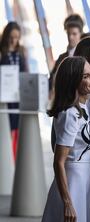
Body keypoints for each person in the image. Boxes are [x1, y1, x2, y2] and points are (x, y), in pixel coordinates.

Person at [33, 56, 90, 222]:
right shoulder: (70, 114)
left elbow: (83, 150)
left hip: (83, 185)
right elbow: (59, 161)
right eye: (86, 75)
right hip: (72, 187)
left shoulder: (83, 108)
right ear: (73, 81)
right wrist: (68, 202)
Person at [0, 21, 28, 159]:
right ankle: (8, 157)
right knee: (8, 126)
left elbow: (26, 72)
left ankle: (16, 156)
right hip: (5, 96)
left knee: (18, 127)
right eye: (11, 37)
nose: (13, 40)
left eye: (16, 37)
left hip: (19, 95)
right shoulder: (2, 52)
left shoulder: (21, 52)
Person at [49, 14, 84, 96]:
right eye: (68, 34)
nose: (70, 37)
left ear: (80, 34)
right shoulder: (62, 58)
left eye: (74, 34)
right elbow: (51, 80)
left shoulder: (85, 56)